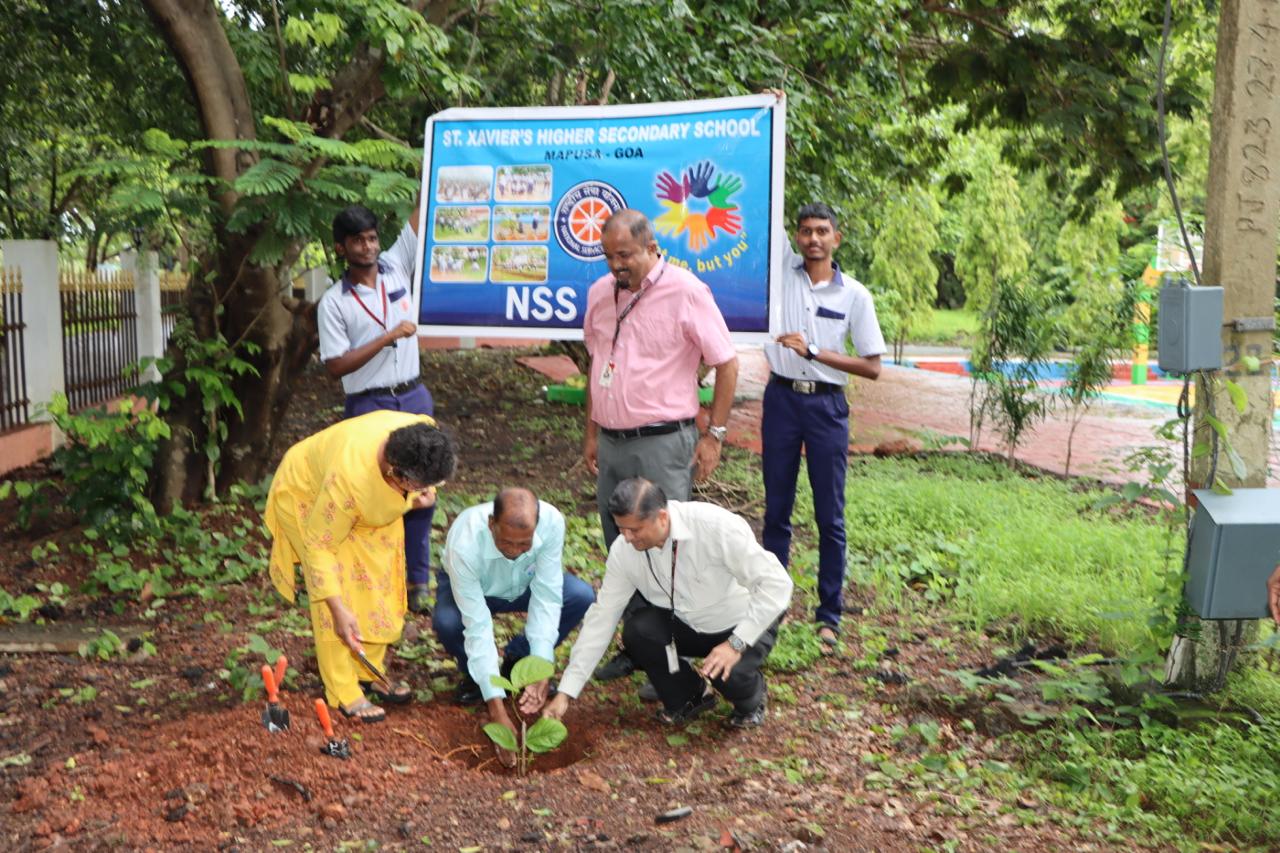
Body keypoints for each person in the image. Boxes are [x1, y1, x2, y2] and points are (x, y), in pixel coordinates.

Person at [581, 209, 740, 683]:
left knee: (666, 549)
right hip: (611, 443)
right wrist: (591, 434)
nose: (617, 266)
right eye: (609, 256)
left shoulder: (686, 290)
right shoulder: (598, 294)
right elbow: (596, 365)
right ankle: (639, 644)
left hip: (663, 444)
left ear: (652, 248)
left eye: (625, 255)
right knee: (622, 546)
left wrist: (715, 435)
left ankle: (673, 659)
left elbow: (726, 364)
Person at [540, 478, 792, 729]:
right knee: (639, 631)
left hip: (741, 624)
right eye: (621, 528)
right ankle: (690, 696)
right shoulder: (624, 551)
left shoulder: (713, 526)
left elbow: (777, 585)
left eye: (634, 529)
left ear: (662, 517)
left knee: (730, 675)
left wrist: (735, 644)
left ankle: (752, 697)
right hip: (685, 623)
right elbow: (602, 617)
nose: (626, 538)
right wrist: (566, 692)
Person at [264, 411, 456, 722]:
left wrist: (416, 495)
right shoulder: (348, 481)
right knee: (336, 591)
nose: (430, 493)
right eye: (423, 486)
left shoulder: (424, 435)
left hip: (371, 503)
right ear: (397, 476)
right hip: (311, 494)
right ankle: (343, 691)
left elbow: (418, 486)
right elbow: (319, 547)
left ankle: (367, 669)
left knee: (382, 580)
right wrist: (338, 609)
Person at [761, 202, 885, 653]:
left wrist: (815, 351)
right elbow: (765, 211)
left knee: (829, 516)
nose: (813, 239)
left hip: (827, 407)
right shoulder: (781, 275)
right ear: (796, 236)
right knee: (777, 510)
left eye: (822, 231)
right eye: (806, 231)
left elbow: (872, 368)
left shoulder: (855, 295)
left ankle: (829, 615)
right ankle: (771, 608)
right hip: (780, 401)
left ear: (837, 237)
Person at [317, 201, 437, 615]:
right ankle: (374, 582)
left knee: (422, 490)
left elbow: (422, 213)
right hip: (368, 402)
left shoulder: (395, 266)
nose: (367, 247)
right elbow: (335, 366)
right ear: (340, 248)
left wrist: (443, 148)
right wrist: (386, 338)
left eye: (371, 238)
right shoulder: (334, 302)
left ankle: (418, 581)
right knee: (373, 493)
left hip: (413, 395)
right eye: (357, 241)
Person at [433, 488, 595, 737]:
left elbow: (547, 595)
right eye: (506, 542)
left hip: (523, 585)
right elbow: (478, 625)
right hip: (476, 589)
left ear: (537, 527)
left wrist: (540, 663)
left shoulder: (551, 523)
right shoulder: (465, 543)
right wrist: (496, 711)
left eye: (524, 544)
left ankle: (517, 660)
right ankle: (479, 679)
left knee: (579, 596)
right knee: (448, 623)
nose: (514, 550)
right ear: (491, 524)